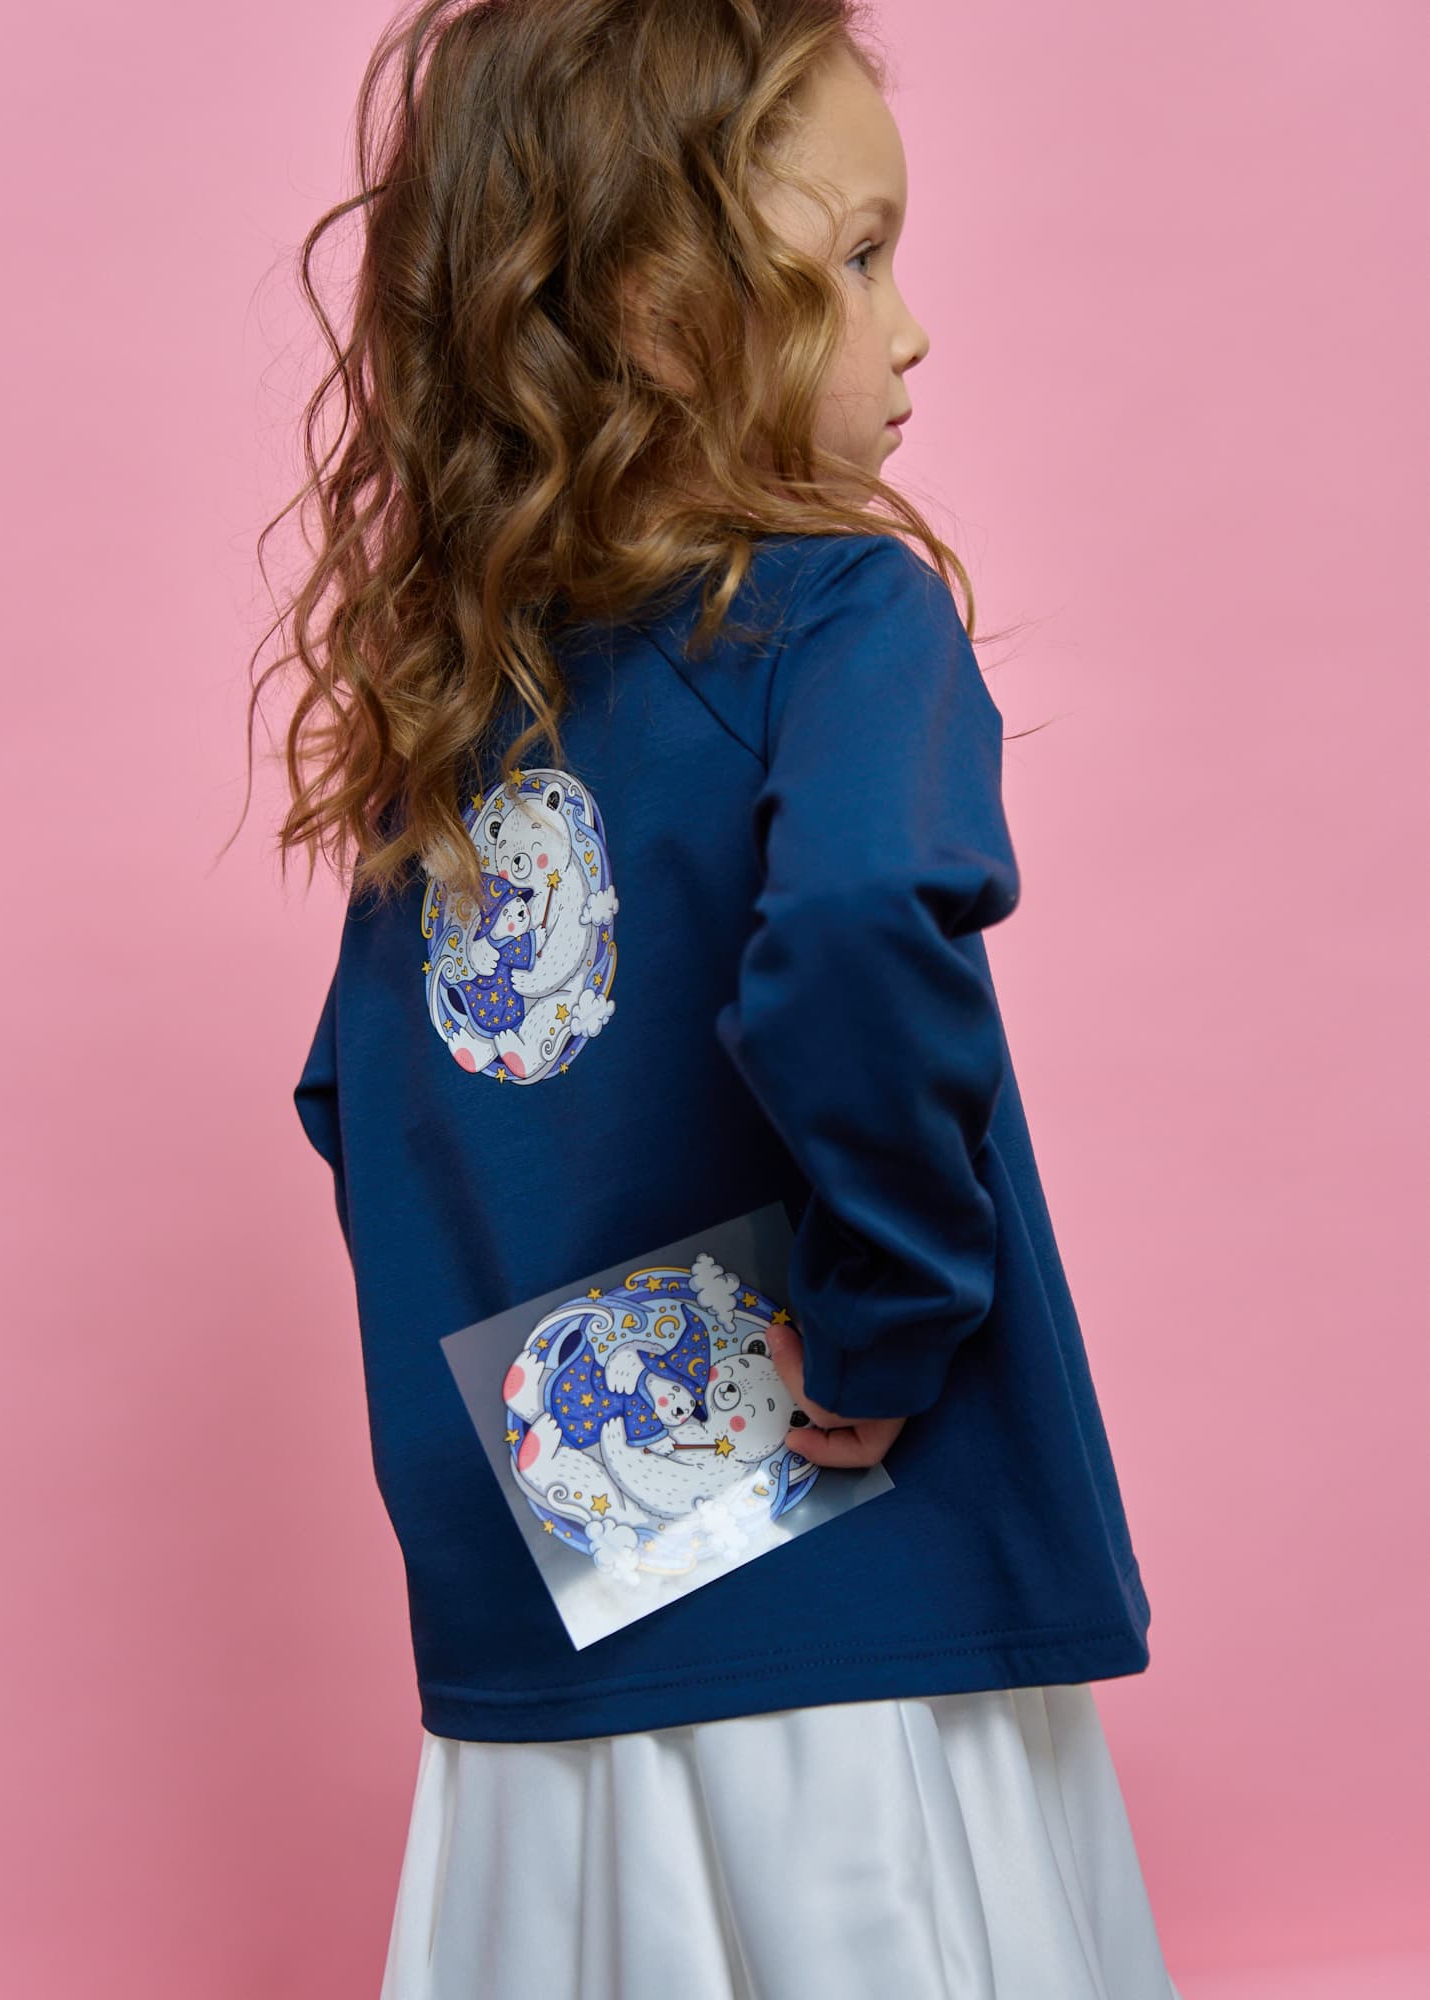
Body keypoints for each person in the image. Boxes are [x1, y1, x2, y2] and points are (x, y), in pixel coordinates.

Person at [260, 2, 1185, 1993]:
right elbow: (855, 918)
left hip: (546, 1650)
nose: (910, 330)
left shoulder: (456, 719)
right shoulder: (845, 615)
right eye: (854, 260)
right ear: (661, 309)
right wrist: (885, 1313)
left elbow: (359, 1108)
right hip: (861, 1620)